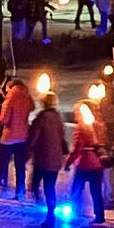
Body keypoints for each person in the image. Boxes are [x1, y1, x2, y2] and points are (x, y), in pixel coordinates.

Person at [0, 73, 35, 194]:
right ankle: (20, 191)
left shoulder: (9, 100)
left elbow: (3, 120)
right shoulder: (26, 97)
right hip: (23, 137)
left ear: (10, 88)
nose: (5, 93)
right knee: (20, 166)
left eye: (6, 91)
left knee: (3, 163)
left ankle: (1, 185)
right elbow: (32, 107)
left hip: (9, 137)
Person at [28, 93, 68, 221]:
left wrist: (28, 149)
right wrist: (64, 153)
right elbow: (62, 137)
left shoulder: (41, 117)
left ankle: (40, 201)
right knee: (50, 184)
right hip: (55, 157)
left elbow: (34, 136)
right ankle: (51, 207)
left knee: (36, 181)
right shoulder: (58, 118)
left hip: (42, 157)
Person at [66, 109, 109, 225]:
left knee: (76, 189)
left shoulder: (81, 128)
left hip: (84, 163)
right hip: (97, 164)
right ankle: (100, 216)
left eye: (76, 114)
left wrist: (68, 163)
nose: (75, 117)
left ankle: (74, 213)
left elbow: (77, 149)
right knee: (96, 191)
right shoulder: (99, 126)